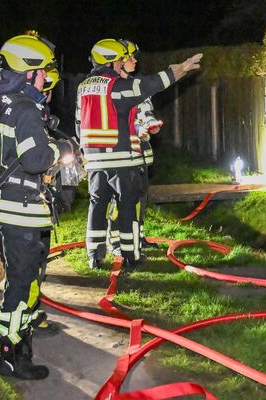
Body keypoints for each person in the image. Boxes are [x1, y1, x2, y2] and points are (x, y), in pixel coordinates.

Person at [0, 33, 73, 380]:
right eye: (44, 72)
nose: (47, 78)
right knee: (21, 285)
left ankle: (19, 346)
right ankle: (11, 358)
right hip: (18, 209)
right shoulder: (24, 109)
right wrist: (58, 150)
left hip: (4, 206)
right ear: (28, 72)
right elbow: (35, 159)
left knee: (21, 281)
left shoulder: (1, 101)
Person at [76, 39, 202, 269]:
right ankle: (131, 254)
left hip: (94, 159)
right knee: (127, 205)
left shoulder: (83, 86)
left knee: (97, 204)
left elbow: (78, 123)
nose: (126, 61)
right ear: (112, 61)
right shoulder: (116, 85)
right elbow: (150, 84)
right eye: (122, 58)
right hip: (121, 157)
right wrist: (181, 69)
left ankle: (94, 254)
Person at [107, 39, 162, 256]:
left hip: (139, 155)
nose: (134, 60)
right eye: (130, 56)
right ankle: (115, 241)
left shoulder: (136, 85)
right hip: (120, 155)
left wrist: (149, 124)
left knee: (139, 198)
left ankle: (137, 237)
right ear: (119, 60)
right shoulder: (111, 88)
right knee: (118, 200)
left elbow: (145, 112)